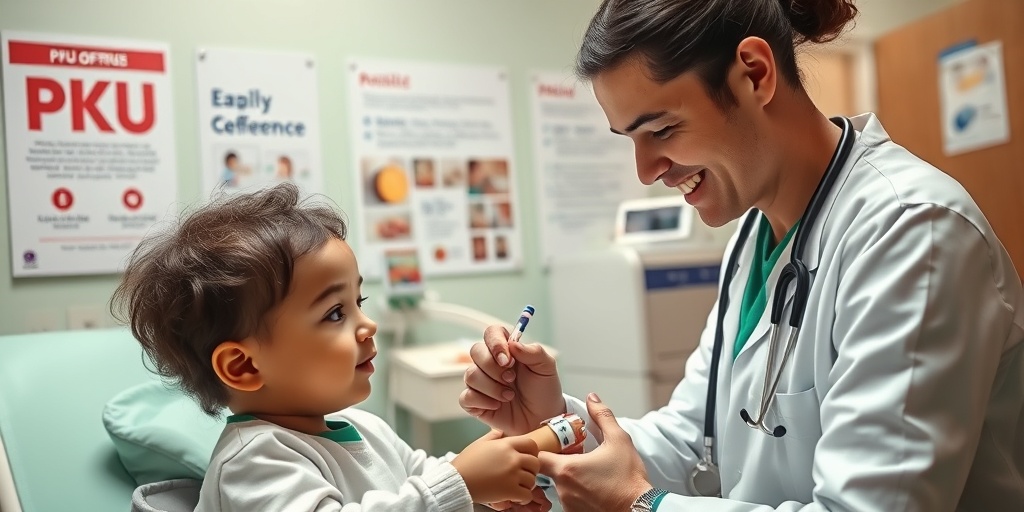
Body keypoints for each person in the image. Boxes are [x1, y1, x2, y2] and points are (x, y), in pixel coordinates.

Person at [460, 0, 1024, 511]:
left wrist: (645, 506)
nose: (646, 170)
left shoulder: (911, 232)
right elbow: (694, 438)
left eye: (660, 129)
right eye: (629, 139)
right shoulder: (754, 237)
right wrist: (554, 421)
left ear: (754, 73)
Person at [111, 182, 547, 512]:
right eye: (335, 314)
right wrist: (463, 485)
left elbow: (426, 478)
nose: (368, 325)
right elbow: (440, 490)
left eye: (359, 302)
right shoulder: (253, 461)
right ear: (243, 366)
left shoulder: (364, 428)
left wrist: (506, 464)